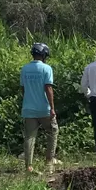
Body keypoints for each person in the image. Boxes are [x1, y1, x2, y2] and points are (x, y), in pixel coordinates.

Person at [20, 42, 58, 174]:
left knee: (30, 137)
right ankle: (49, 161)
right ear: (44, 55)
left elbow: (23, 89)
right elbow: (48, 88)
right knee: (52, 131)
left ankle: (29, 167)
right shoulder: (46, 69)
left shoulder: (24, 69)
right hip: (44, 108)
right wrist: (52, 108)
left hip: (28, 108)